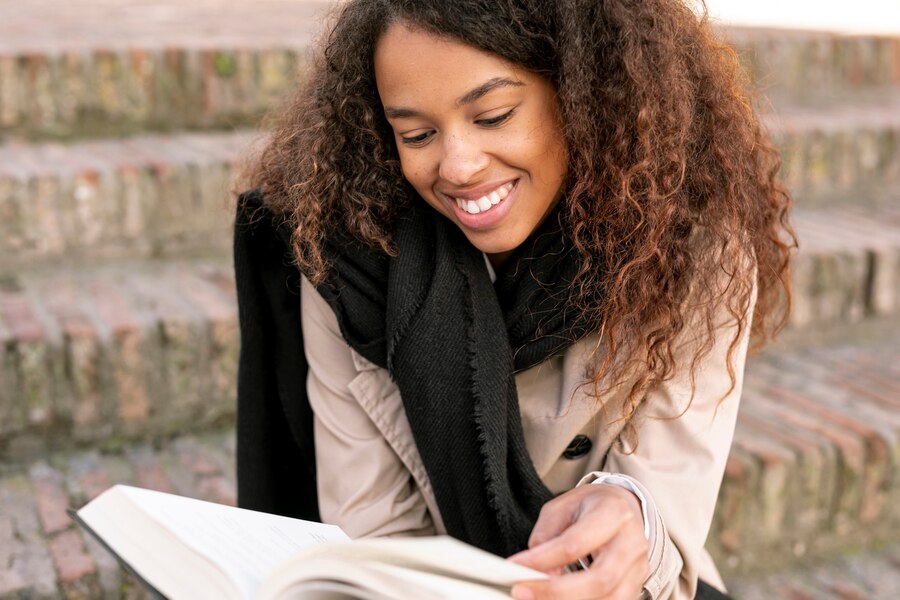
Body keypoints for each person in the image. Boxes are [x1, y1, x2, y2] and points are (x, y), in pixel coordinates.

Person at [233, 0, 795, 598]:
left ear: (584, 95)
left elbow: (666, 511)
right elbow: (373, 533)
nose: (459, 166)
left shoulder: (689, 244)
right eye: (416, 134)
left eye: (494, 115)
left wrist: (632, 519)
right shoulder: (346, 261)